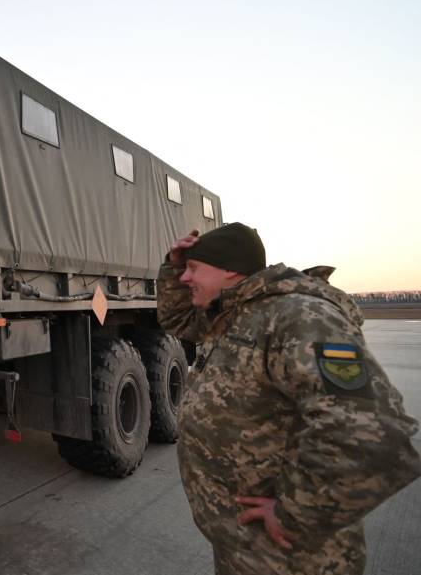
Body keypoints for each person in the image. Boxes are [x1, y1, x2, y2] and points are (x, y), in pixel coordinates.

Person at [158, 222, 420, 575]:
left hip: (291, 558)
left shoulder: (297, 317)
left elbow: (372, 435)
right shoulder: (233, 314)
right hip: (245, 549)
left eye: (193, 269)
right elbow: (176, 318)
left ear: (230, 269)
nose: (185, 278)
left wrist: (296, 516)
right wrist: (174, 265)